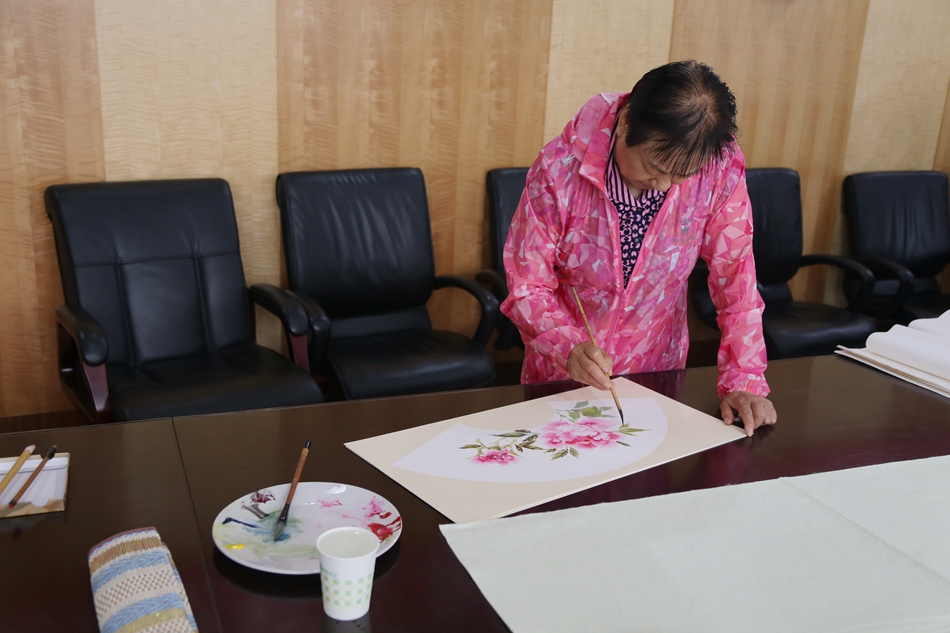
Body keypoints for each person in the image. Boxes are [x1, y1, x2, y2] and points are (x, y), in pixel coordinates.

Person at [500, 60, 777, 437]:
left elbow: (736, 278)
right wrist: (568, 347)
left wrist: (744, 379)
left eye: (681, 176)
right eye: (654, 166)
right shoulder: (559, 170)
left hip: (658, 376)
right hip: (563, 375)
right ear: (626, 122)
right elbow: (527, 286)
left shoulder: (718, 169)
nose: (663, 185)